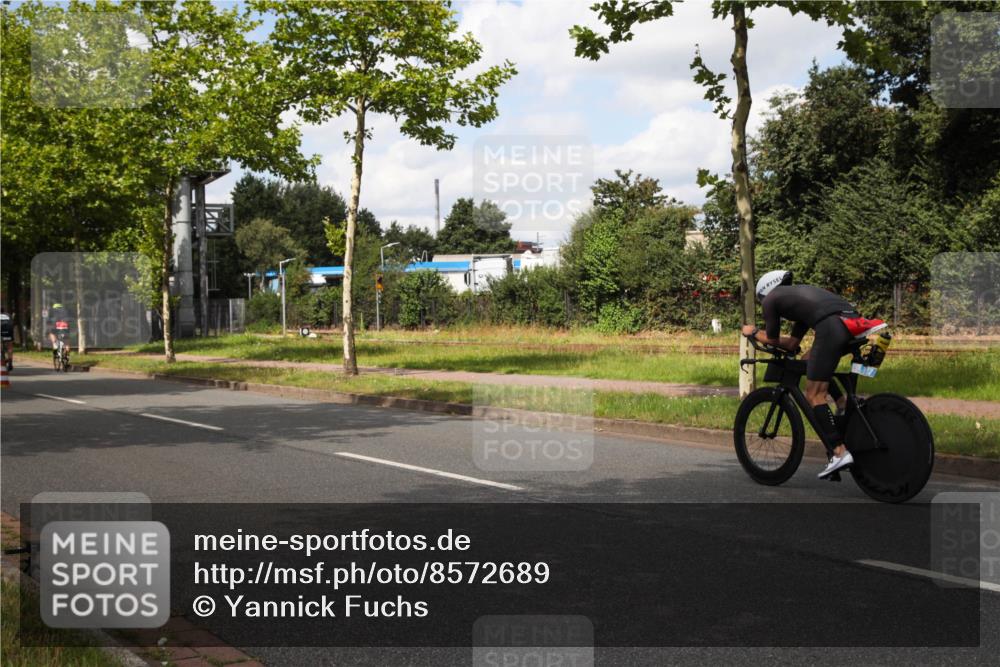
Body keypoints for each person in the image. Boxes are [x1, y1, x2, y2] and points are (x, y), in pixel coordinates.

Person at [741, 270, 887, 479]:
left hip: (832, 327)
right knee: (808, 361)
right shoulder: (800, 299)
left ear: (764, 292)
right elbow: (792, 344)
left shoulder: (771, 299)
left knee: (814, 395)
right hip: (851, 322)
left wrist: (753, 332)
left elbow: (772, 339)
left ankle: (839, 452)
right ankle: (842, 405)